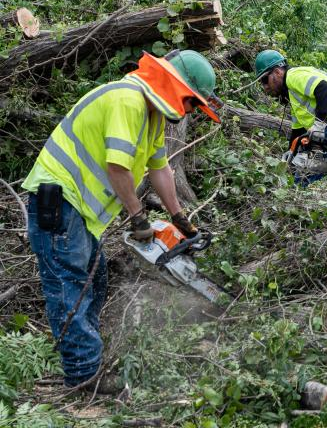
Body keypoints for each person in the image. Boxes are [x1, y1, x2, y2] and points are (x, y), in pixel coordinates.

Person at [21, 50, 220, 394]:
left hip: (81, 212)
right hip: (59, 201)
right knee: (70, 286)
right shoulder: (127, 100)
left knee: (95, 279)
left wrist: (179, 218)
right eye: (191, 102)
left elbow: (160, 168)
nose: (190, 111)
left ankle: (88, 357)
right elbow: (117, 167)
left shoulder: (151, 115)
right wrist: (138, 217)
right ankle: (83, 375)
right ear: (176, 87)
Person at [254, 50, 327, 176]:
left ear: (277, 72)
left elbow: (323, 87)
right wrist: (290, 153)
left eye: (265, 80)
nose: (265, 87)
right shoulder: (294, 94)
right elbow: (298, 131)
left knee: (311, 175)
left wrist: (319, 124)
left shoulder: (293, 76)